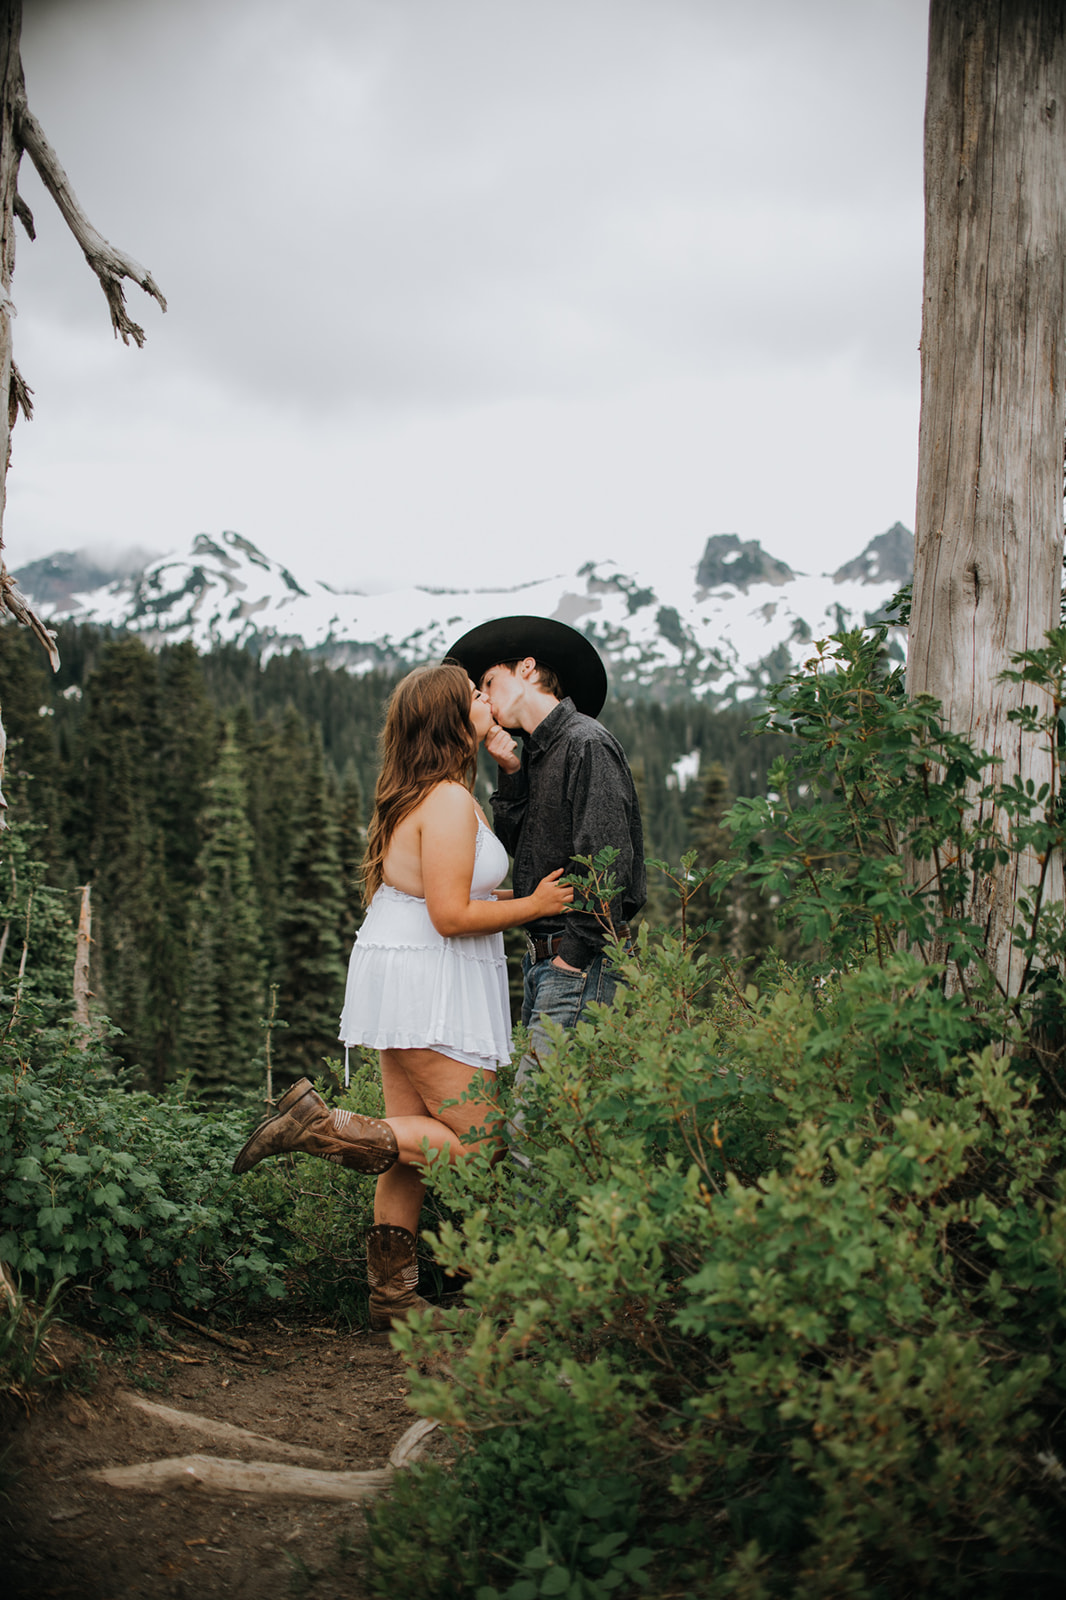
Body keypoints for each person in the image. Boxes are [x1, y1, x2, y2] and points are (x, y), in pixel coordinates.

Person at [231, 662, 572, 1328]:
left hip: (413, 970)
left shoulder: (433, 791)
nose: (485, 699)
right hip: (427, 977)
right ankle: (322, 1127)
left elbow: (449, 893)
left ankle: (392, 1301)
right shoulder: (444, 800)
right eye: (474, 695)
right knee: (477, 1148)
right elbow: (447, 914)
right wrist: (533, 904)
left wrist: (504, 888)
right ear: (452, 717)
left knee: (409, 1152)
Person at [445, 617, 645, 1152]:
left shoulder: (586, 744)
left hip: (576, 963)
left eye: (487, 683)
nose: (484, 701)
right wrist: (510, 770)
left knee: (535, 1135)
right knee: (558, 1132)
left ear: (527, 669)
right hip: (544, 962)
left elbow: (610, 863)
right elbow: (523, 855)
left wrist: (573, 956)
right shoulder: (534, 752)